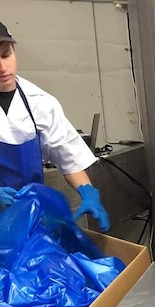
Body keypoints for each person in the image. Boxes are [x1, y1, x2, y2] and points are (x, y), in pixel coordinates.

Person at [0, 21, 109, 231]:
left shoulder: (40, 103)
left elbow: (69, 158)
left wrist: (88, 193)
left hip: (30, 214)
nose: (2, 68)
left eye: (6, 55)